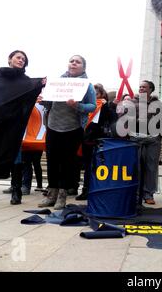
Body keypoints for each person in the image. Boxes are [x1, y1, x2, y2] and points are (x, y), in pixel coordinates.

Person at [0, 50, 45, 204]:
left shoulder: (26, 81)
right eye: (18, 57)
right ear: (10, 59)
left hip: (14, 124)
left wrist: (39, 85)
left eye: (24, 59)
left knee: (15, 156)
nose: (21, 60)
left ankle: (16, 191)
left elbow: (29, 98)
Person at [38, 55, 96, 210]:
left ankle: (62, 197)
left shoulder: (87, 85)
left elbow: (92, 106)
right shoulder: (56, 82)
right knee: (52, 161)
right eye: (72, 61)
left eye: (78, 62)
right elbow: (48, 101)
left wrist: (78, 106)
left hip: (73, 128)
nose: (74, 63)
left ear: (83, 67)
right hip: (53, 126)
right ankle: (51, 194)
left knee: (67, 163)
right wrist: (42, 98)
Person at [75, 83, 117, 201]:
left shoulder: (105, 107)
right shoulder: (84, 105)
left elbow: (113, 119)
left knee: (100, 167)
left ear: (102, 95)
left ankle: (100, 190)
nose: (94, 96)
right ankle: (86, 190)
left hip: (100, 141)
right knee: (88, 167)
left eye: (96, 94)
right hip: (86, 140)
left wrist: (107, 106)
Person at [129, 80, 162, 205]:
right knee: (135, 167)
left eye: (144, 87)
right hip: (135, 138)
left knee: (151, 167)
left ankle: (148, 194)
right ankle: (135, 194)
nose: (141, 89)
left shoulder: (158, 103)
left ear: (151, 90)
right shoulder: (132, 102)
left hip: (152, 139)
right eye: (140, 87)